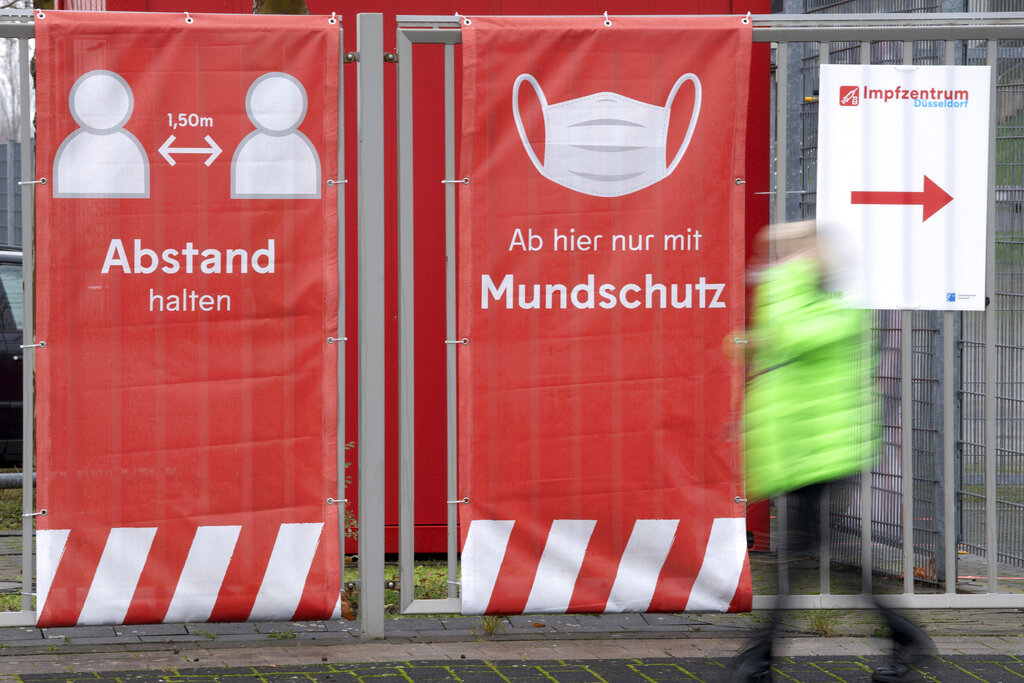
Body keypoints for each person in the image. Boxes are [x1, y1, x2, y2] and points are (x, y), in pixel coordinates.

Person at [729, 221, 933, 683]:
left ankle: (759, 659)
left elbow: (790, 331)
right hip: (809, 450)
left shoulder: (837, 311)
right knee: (818, 556)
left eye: (802, 251)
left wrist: (782, 267)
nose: (790, 259)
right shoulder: (817, 304)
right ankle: (904, 637)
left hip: (823, 452)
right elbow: (779, 342)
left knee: (803, 557)